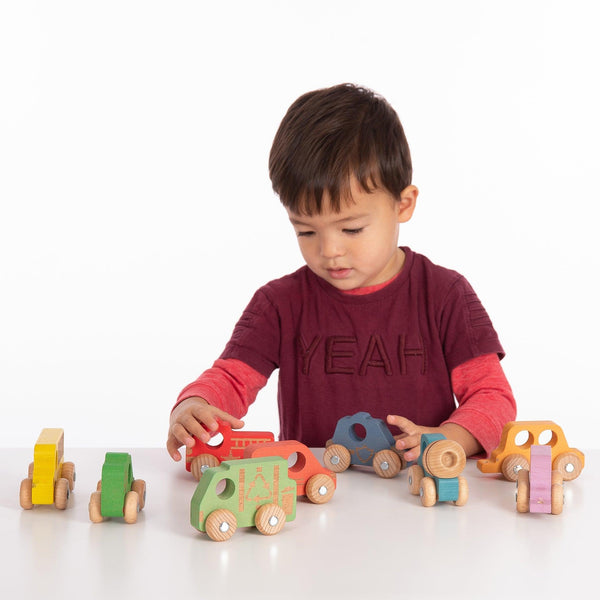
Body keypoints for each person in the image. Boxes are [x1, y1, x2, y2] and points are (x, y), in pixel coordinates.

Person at [167, 83, 516, 464]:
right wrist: (195, 404)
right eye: (306, 231)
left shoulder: (445, 294)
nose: (329, 251)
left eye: (351, 229)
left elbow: (492, 398)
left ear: (403, 204)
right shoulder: (279, 304)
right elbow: (232, 379)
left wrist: (448, 439)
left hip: (416, 493)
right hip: (316, 495)